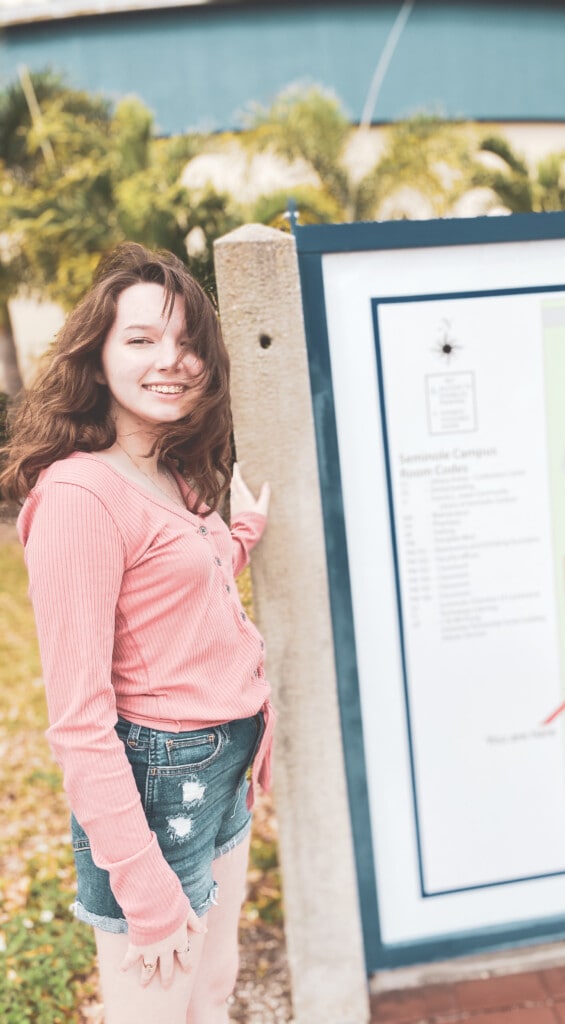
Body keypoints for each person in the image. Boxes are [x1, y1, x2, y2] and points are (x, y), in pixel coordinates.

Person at [0, 242, 274, 1024]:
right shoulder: (81, 496)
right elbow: (79, 724)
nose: (172, 360)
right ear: (98, 355)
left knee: (212, 989)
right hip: (159, 786)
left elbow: (197, 573)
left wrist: (244, 525)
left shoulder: (172, 471)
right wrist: (145, 891)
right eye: (143, 339)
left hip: (224, 767)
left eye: (189, 341)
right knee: (153, 1009)